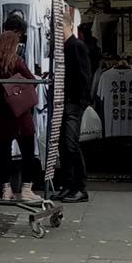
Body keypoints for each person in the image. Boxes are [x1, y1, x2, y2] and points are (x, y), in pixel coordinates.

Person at [0, 30, 41, 202]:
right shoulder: (16, 61)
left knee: (3, 154)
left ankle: (5, 189)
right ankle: (26, 189)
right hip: (19, 113)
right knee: (28, 151)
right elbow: (31, 80)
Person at [57, 14, 93, 203]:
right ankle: (69, 184)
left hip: (73, 102)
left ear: (69, 27)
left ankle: (79, 187)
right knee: (64, 145)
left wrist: (82, 101)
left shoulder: (76, 47)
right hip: (66, 101)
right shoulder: (65, 47)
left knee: (71, 144)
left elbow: (84, 75)